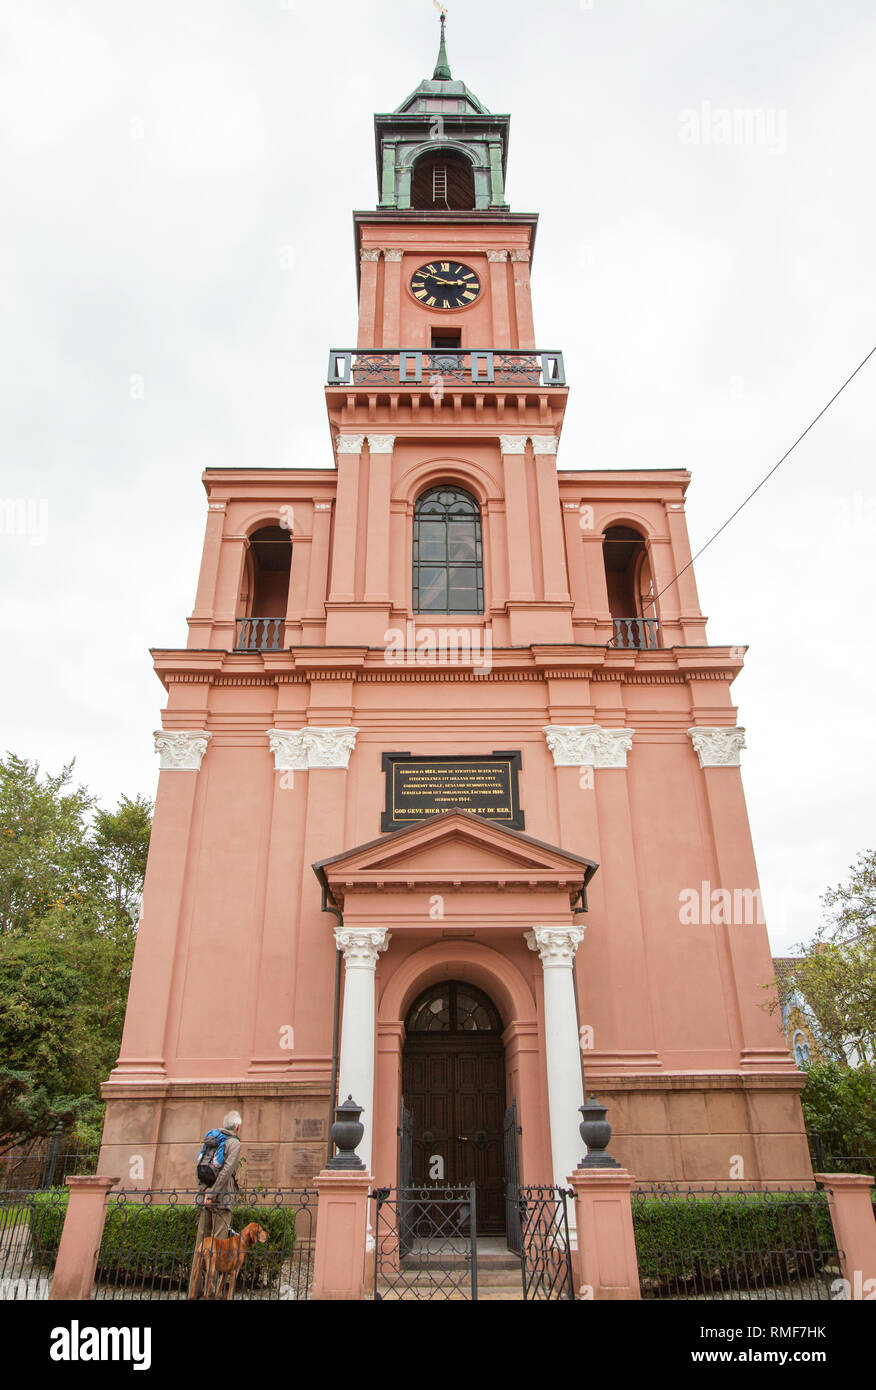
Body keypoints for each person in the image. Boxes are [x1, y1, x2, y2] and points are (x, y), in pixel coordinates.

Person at [188, 1110, 243, 1299]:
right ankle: (211, 1294)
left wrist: (204, 1191)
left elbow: (199, 1166)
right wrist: (214, 1193)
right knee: (218, 1249)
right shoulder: (234, 1143)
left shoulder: (212, 1139)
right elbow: (227, 1170)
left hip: (205, 1198)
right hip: (222, 1199)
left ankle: (193, 1291)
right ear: (237, 1127)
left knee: (201, 1244)